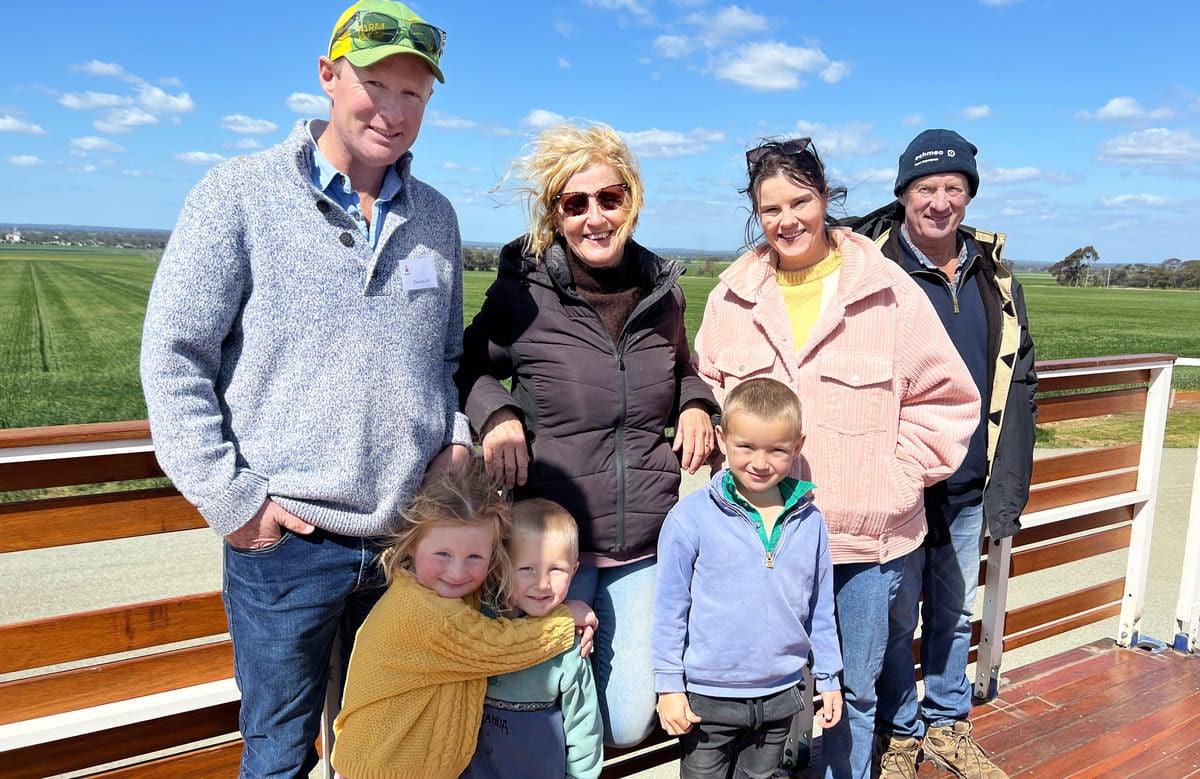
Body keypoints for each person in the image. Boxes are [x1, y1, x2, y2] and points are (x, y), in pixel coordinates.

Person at [139, 2, 470, 775]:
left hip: (402, 545)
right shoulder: (238, 194)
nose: (392, 110)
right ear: (328, 76)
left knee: (388, 750)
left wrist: (454, 437)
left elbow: (444, 358)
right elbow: (173, 358)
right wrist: (235, 502)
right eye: (374, 83)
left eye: (413, 93)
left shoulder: (438, 220)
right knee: (280, 753)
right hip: (287, 543)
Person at [691, 137, 981, 779]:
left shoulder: (887, 291)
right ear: (755, 214)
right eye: (771, 209)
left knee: (851, 693)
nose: (787, 219)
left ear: (827, 199)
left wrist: (894, 479)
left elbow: (949, 400)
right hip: (761, 537)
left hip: (865, 544)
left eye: (801, 201)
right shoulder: (731, 298)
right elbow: (708, 391)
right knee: (762, 691)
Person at [455, 122, 719, 746]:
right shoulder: (525, 293)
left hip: (641, 540)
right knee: (540, 714)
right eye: (575, 204)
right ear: (556, 215)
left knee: (627, 725)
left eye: (610, 197)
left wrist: (697, 403)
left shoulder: (665, 291)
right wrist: (498, 414)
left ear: (633, 199)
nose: (595, 217)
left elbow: (682, 368)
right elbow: (468, 365)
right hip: (550, 543)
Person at [849, 129, 1037, 779]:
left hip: (965, 483)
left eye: (953, 188)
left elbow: (1020, 380)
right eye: (926, 188)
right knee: (896, 618)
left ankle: (950, 724)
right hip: (894, 484)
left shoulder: (996, 277)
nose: (939, 201)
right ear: (903, 195)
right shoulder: (868, 268)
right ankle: (901, 732)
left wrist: (1008, 477)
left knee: (954, 613)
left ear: (969, 196)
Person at [331, 461, 596, 779]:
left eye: (474, 558)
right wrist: (566, 619)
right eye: (443, 554)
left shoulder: (441, 591)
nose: (457, 572)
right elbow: (500, 647)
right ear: (413, 546)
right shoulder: (425, 614)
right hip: (382, 771)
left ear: (493, 559)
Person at [652, 377, 844, 779]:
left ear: (798, 446)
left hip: (780, 696)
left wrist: (828, 677)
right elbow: (670, 609)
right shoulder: (690, 519)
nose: (760, 462)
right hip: (709, 699)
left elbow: (820, 608)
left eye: (776, 449)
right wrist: (669, 686)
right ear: (722, 439)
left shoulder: (810, 521)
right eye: (746, 447)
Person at [461, 498, 604, 779]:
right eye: (527, 569)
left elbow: (584, 725)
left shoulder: (569, 642)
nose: (542, 583)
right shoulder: (477, 623)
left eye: (556, 569)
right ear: (500, 567)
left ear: (574, 571)